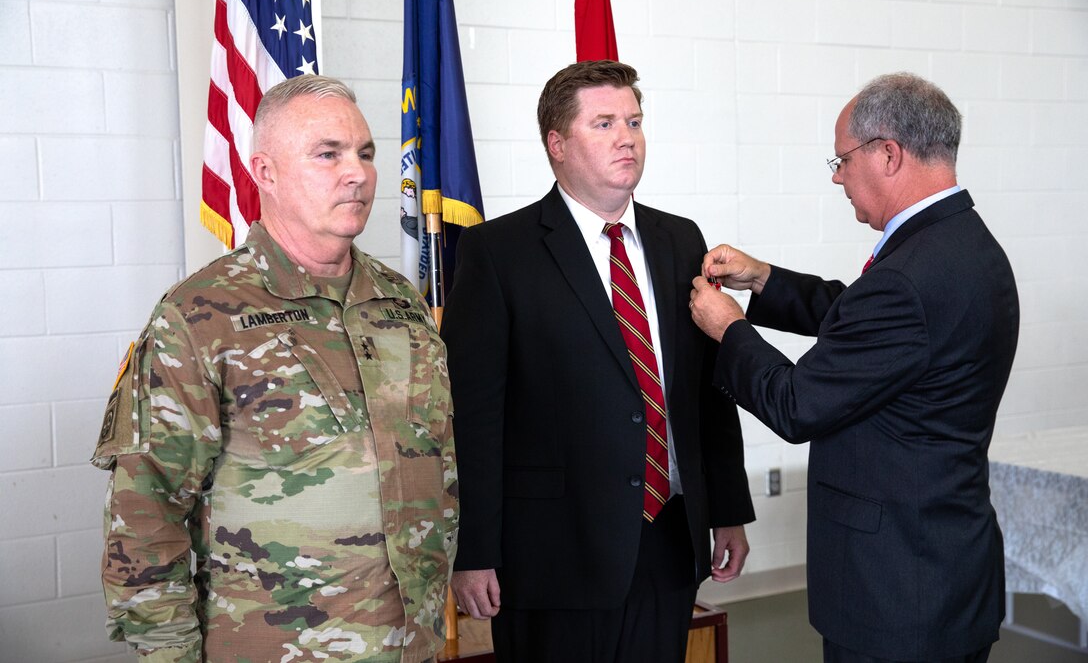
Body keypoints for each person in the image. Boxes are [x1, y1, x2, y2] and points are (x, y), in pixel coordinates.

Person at [92, 75, 457, 663]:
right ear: (265, 172)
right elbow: (145, 510)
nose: (358, 173)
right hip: (274, 646)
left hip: (410, 643)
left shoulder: (399, 303)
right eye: (328, 154)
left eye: (365, 153)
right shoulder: (199, 314)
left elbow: (436, 464)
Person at [689, 73, 1019, 663]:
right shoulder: (963, 245)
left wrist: (728, 329)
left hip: (896, 593)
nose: (838, 177)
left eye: (841, 160)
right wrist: (763, 278)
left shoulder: (908, 277)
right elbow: (862, 321)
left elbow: (797, 403)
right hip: (944, 568)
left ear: (888, 154)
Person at [441, 60, 755, 663]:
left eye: (634, 122)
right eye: (604, 123)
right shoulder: (497, 252)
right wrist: (473, 547)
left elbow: (705, 390)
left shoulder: (679, 239)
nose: (626, 137)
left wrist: (728, 511)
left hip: (667, 537)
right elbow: (472, 416)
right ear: (557, 144)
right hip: (552, 551)